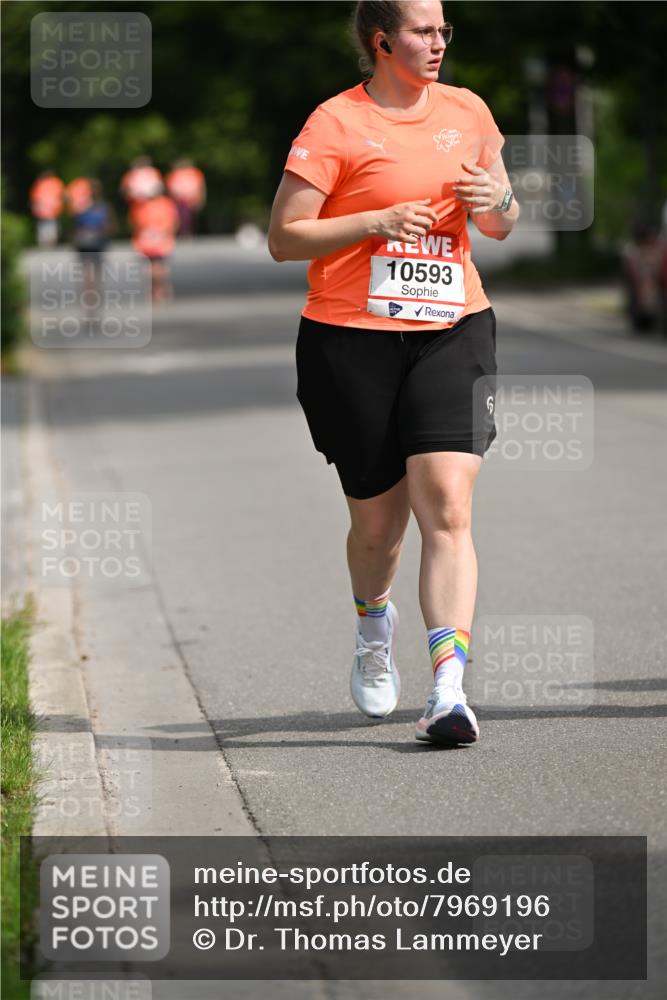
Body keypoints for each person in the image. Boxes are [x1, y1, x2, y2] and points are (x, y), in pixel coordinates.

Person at [268, 0, 519, 746]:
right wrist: (372, 223)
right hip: (349, 339)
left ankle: (448, 689)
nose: (439, 41)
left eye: (443, 29)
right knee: (377, 527)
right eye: (423, 30)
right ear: (382, 41)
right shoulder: (334, 123)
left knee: (446, 502)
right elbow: (285, 237)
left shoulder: (467, 110)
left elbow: (503, 219)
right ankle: (373, 623)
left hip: (452, 328)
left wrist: (495, 200)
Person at [129, 182, 179, 303]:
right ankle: (158, 289)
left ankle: (158, 289)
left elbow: (173, 221)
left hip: (156, 239)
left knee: (156, 266)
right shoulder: (142, 205)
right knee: (155, 266)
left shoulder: (162, 204)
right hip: (150, 240)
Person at [71, 179, 115, 302]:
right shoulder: (82, 207)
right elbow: (75, 226)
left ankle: (94, 296)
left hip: (97, 244)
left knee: (95, 273)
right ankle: (90, 296)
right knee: (88, 273)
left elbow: (110, 226)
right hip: (85, 244)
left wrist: (102, 233)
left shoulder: (104, 207)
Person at [165, 158, 206, 238]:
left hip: (191, 199)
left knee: (188, 218)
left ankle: (187, 232)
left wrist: (200, 198)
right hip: (178, 199)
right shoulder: (175, 174)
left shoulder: (194, 173)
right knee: (180, 217)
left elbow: (200, 186)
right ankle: (182, 232)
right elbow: (170, 188)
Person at [29, 169, 65, 248]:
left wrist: (35, 206)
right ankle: (51, 242)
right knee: (51, 225)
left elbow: (34, 196)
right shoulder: (56, 182)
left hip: (42, 208)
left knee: (43, 225)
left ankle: (44, 242)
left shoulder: (40, 183)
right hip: (53, 208)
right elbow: (61, 194)